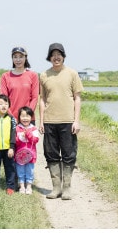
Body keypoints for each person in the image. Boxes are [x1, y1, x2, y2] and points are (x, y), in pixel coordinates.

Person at [39, 42, 84, 200]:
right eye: (53, 54)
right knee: (51, 154)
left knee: (69, 154)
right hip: (50, 121)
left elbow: (77, 98)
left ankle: (66, 188)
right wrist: (41, 121)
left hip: (67, 121)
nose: (56, 57)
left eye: (59, 54)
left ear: (63, 56)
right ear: (49, 57)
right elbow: (43, 99)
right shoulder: (44, 75)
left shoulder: (72, 73)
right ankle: (56, 188)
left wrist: (76, 121)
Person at [0, 46, 39, 123]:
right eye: (15, 57)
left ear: (25, 58)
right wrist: (11, 116)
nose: (18, 60)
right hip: (11, 119)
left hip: (28, 119)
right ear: (12, 59)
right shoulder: (5, 76)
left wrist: (27, 115)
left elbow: (35, 98)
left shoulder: (33, 75)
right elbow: (4, 99)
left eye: (21, 57)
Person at [15, 106, 40, 195]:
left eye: (28, 116)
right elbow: (15, 142)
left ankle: (29, 186)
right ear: (19, 117)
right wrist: (19, 137)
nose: (25, 118)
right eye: (23, 116)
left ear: (31, 117)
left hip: (31, 155)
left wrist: (28, 134)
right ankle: (21, 186)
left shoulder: (34, 129)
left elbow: (35, 140)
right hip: (20, 155)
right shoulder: (17, 128)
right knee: (20, 170)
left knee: (30, 170)